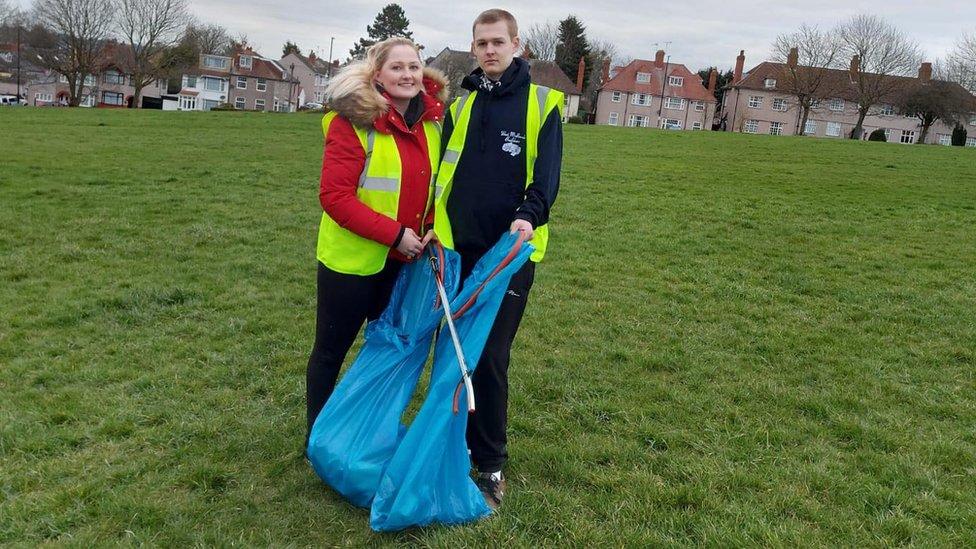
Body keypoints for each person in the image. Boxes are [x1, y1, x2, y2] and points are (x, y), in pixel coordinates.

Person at [432, 8, 564, 509]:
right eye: (481, 42)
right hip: (456, 250)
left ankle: (490, 463)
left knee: (489, 357)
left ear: (516, 45)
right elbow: (441, 173)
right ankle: (454, 446)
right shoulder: (461, 105)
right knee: (455, 352)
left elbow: (546, 179)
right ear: (473, 47)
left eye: (498, 42)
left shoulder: (543, 103)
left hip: (508, 256)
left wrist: (527, 217)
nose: (489, 50)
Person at [306, 37, 448, 444]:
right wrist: (395, 235)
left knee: (383, 352)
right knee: (331, 352)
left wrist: (433, 225)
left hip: (405, 263)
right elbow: (334, 197)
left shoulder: (433, 125)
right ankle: (317, 438)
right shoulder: (350, 123)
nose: (407, 75)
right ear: (377, 75)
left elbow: (438, 186)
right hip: (351, 263)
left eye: (414, 67)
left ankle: (364, 433)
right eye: (397, 67)